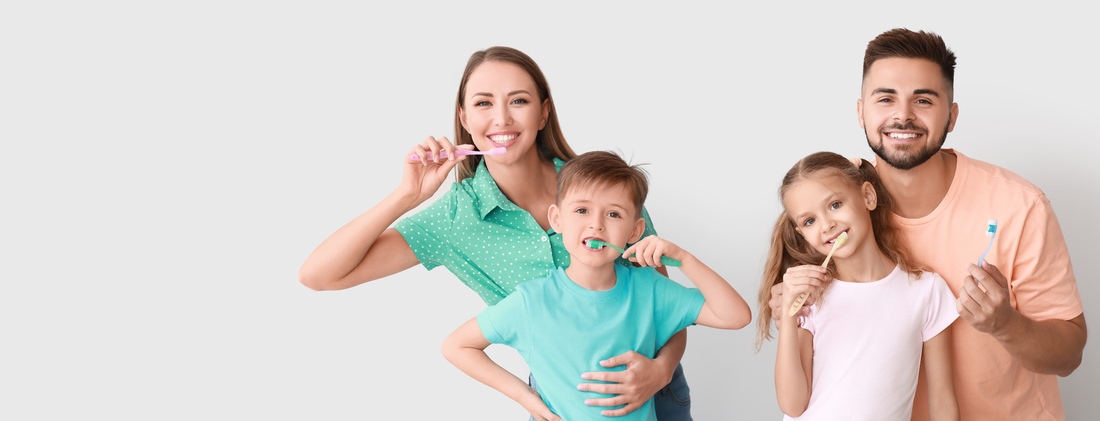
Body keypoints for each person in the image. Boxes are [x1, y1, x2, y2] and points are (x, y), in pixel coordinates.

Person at [299, 47, 695, 419]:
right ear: (464, 118)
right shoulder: (455, 218)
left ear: (543, 113)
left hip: (654, 391)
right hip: (560, 404)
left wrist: (661, 371)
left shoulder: (604, 188)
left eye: (518, 101)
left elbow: (666, 305)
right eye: (484, 103)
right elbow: (318, 275)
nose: (502, 119)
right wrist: (407, 195)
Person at [769, 29, 1086, 421]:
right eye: (886, 98)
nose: (903, 115)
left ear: (951, 116)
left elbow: (1069, 354)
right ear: (861, 112)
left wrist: (1005, 324)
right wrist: (785, 305)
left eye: (923, 100)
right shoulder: (834, 203)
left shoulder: (1020, 206)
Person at [442, 151, 751, 421]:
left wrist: (684, 259)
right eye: (582, 210)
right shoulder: (531, 300)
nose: (596, 224)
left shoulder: (651, 289)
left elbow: (736, 316)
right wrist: (524, 396)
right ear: (557, 219)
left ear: (635, 231)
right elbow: (457, 346)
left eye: (613, 214)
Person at [758, 151, 958, 420]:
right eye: (809, 221)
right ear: (802, 234)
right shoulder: (810, 297)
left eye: (835, 205)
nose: (827, 225)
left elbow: (943, 402)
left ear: (868, 196)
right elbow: (792, 405)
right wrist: (789, 312)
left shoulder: (927, 290)